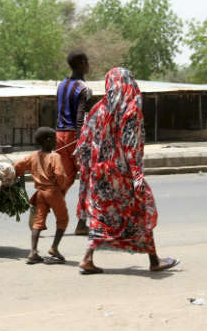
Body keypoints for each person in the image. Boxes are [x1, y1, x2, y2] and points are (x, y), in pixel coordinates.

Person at [73, 67, 180, 274]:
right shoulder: (130, 109)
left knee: (101, 215)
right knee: (140, 211)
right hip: (122, 175)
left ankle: (87, 259)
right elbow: (131, 144)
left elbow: (84, 144)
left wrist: (88, 167)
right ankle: (154, 261)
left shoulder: (98, 109)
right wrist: (137, 175)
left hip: (100, 174)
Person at [15, 127, 72, 265]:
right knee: (63, 219)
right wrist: (63, 185)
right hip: (53, 192)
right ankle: (54, 248)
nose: (55, 141)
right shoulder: (55, 157)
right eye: (53, 139)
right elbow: (60, 175)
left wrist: (15, 174)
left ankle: (33, 252)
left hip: (40, 193)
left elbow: (18, 165)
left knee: (38, 221)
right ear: (47, 141)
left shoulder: (33, 156)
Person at [56, 50, 93, 236]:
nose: (89, 65)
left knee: (65, 179)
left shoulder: (61, 85)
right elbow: (81, 117)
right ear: (81, 64)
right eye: (87, 61)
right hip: (75, 136)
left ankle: (44, 209)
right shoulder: (83, 88)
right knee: (86, 178)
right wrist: (81, 141)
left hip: (59, 135)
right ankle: (82, 223)